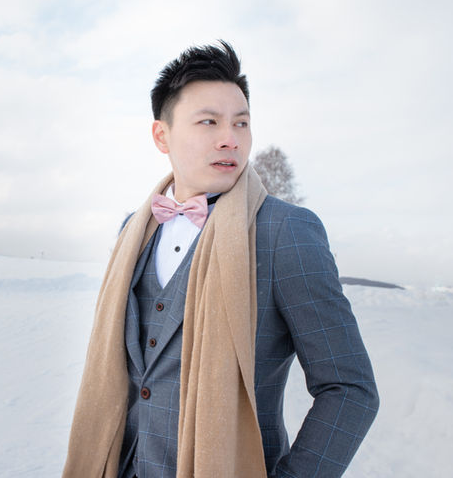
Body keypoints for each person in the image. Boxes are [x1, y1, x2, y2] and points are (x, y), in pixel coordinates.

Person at [63, 41, 379, 478]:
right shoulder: (132, 230)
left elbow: (349, 389)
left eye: (241, 123)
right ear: (162, 135)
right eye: (209, 121)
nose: (230, 138)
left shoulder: (285, 232)